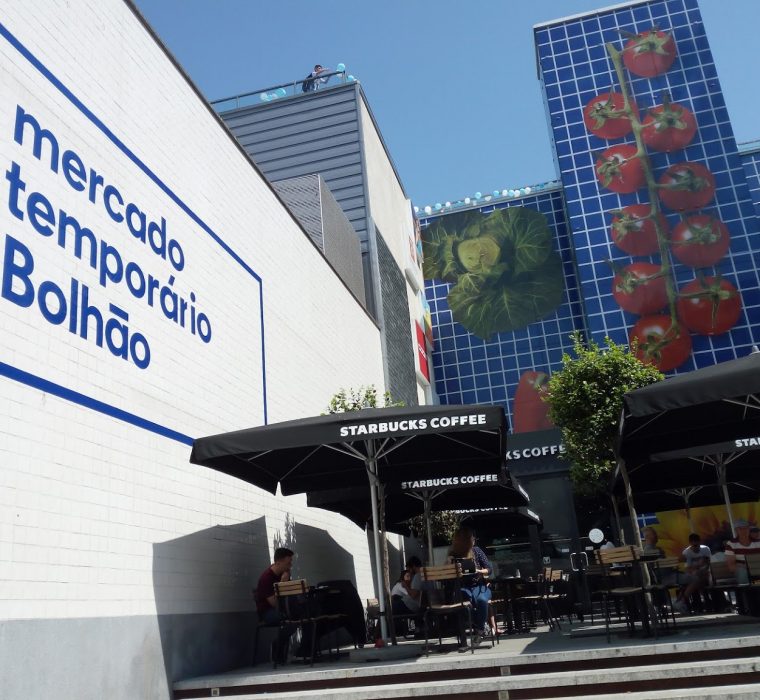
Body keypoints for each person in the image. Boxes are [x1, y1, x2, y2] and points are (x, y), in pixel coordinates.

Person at [448, 527, 492, 646]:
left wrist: (478, 570)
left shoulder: (477, 551)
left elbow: (489, 569)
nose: (473, 539)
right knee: (462, 602)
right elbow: (448, 575)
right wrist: (451, 565)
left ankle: (480, 629)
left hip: (479, 585)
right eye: (471, 538)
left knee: (482, 600)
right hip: (463, 586)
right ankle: (481, 625)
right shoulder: (453, 555)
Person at [254, 547, 296, 663]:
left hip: (282, 609)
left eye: (291, 562)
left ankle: (283, 651)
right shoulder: (266, 578)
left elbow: (288, 596)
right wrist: (282, 583)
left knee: (298, 616)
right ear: (278, 562)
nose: (290, 566)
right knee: (292, 620)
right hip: (267, 612)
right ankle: (277, 647)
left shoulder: (284, 574)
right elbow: (275, 603)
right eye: (288, 563)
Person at [674, 533, 711, 614]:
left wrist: (698, 568)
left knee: (695, 580)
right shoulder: (686, 552)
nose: (696, 548)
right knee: (694, 580)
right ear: (690, 544)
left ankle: (680, 602)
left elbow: (708, 564)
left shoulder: (705, 549)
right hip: (695, 575)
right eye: (694, 546)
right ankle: (692, 605)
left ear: (700, 543)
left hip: (705, 574)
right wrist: (698, 566)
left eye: (697, 546)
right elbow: (688, 569)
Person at [725, 519, 760, 584]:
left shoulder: (758, 542)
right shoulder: (731, 544)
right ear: (736, 530)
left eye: (746, 528)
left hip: (757, 570)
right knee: (742, 572)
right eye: (740, 529)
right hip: (743, 572)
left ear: (749, 529)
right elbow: (731, 566)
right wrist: (744, 567)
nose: (744, 531)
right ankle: (746, 591)